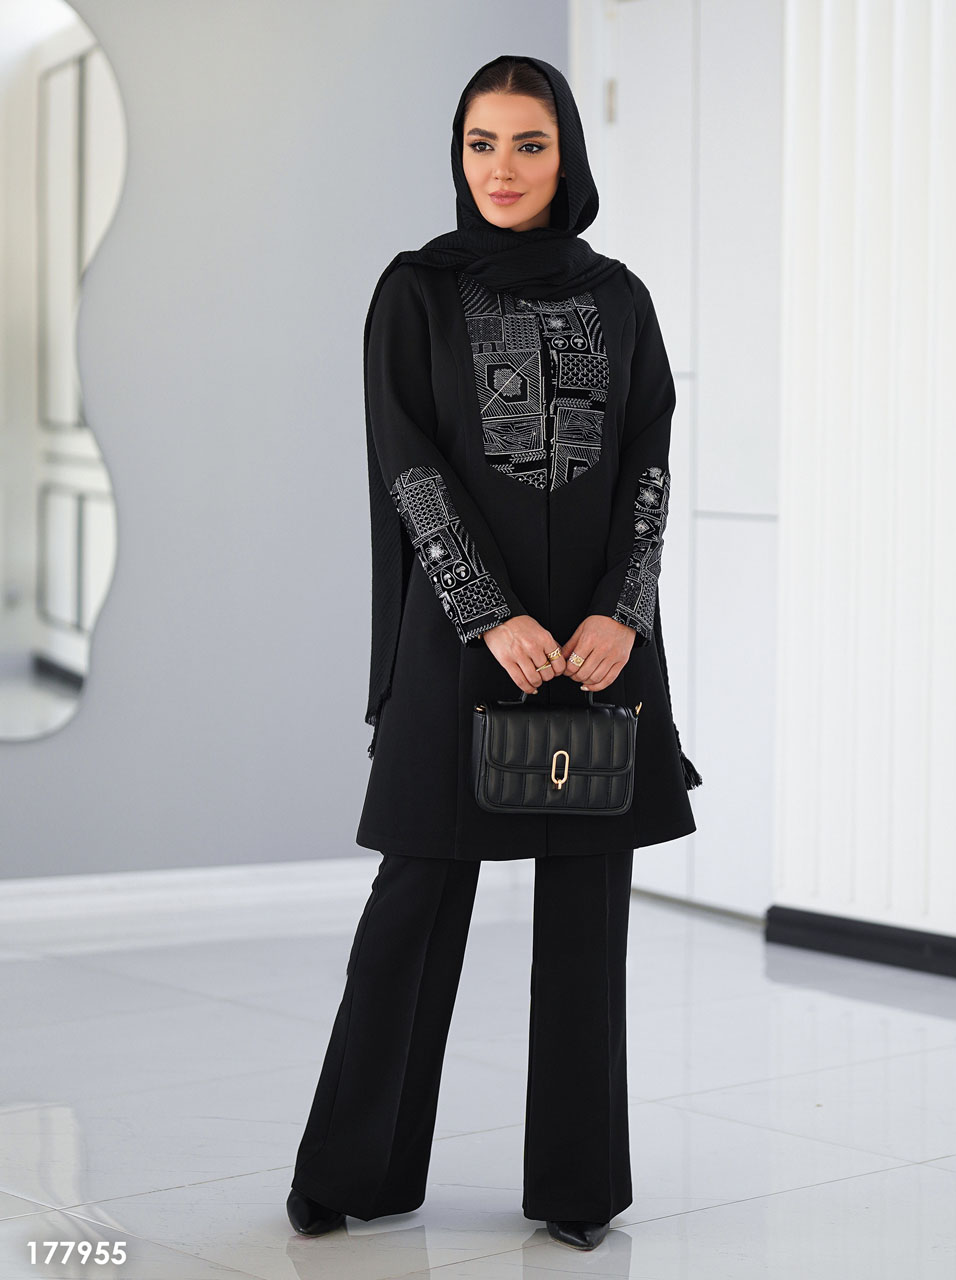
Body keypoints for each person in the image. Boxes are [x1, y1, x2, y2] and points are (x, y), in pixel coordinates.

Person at [286, 52, 702, 1252]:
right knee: (415, 896)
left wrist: (623, 611)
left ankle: (578, 1185)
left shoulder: (619, 297)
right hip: (463, 636)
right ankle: (356, 1166)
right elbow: (408, 462)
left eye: (529, 143)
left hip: (598, 640)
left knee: (587, 909)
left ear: (566, 154)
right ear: (457, 154)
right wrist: (487, 613)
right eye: (481, 144)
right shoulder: (416, 291)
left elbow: (648, 464)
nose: (502, 169)